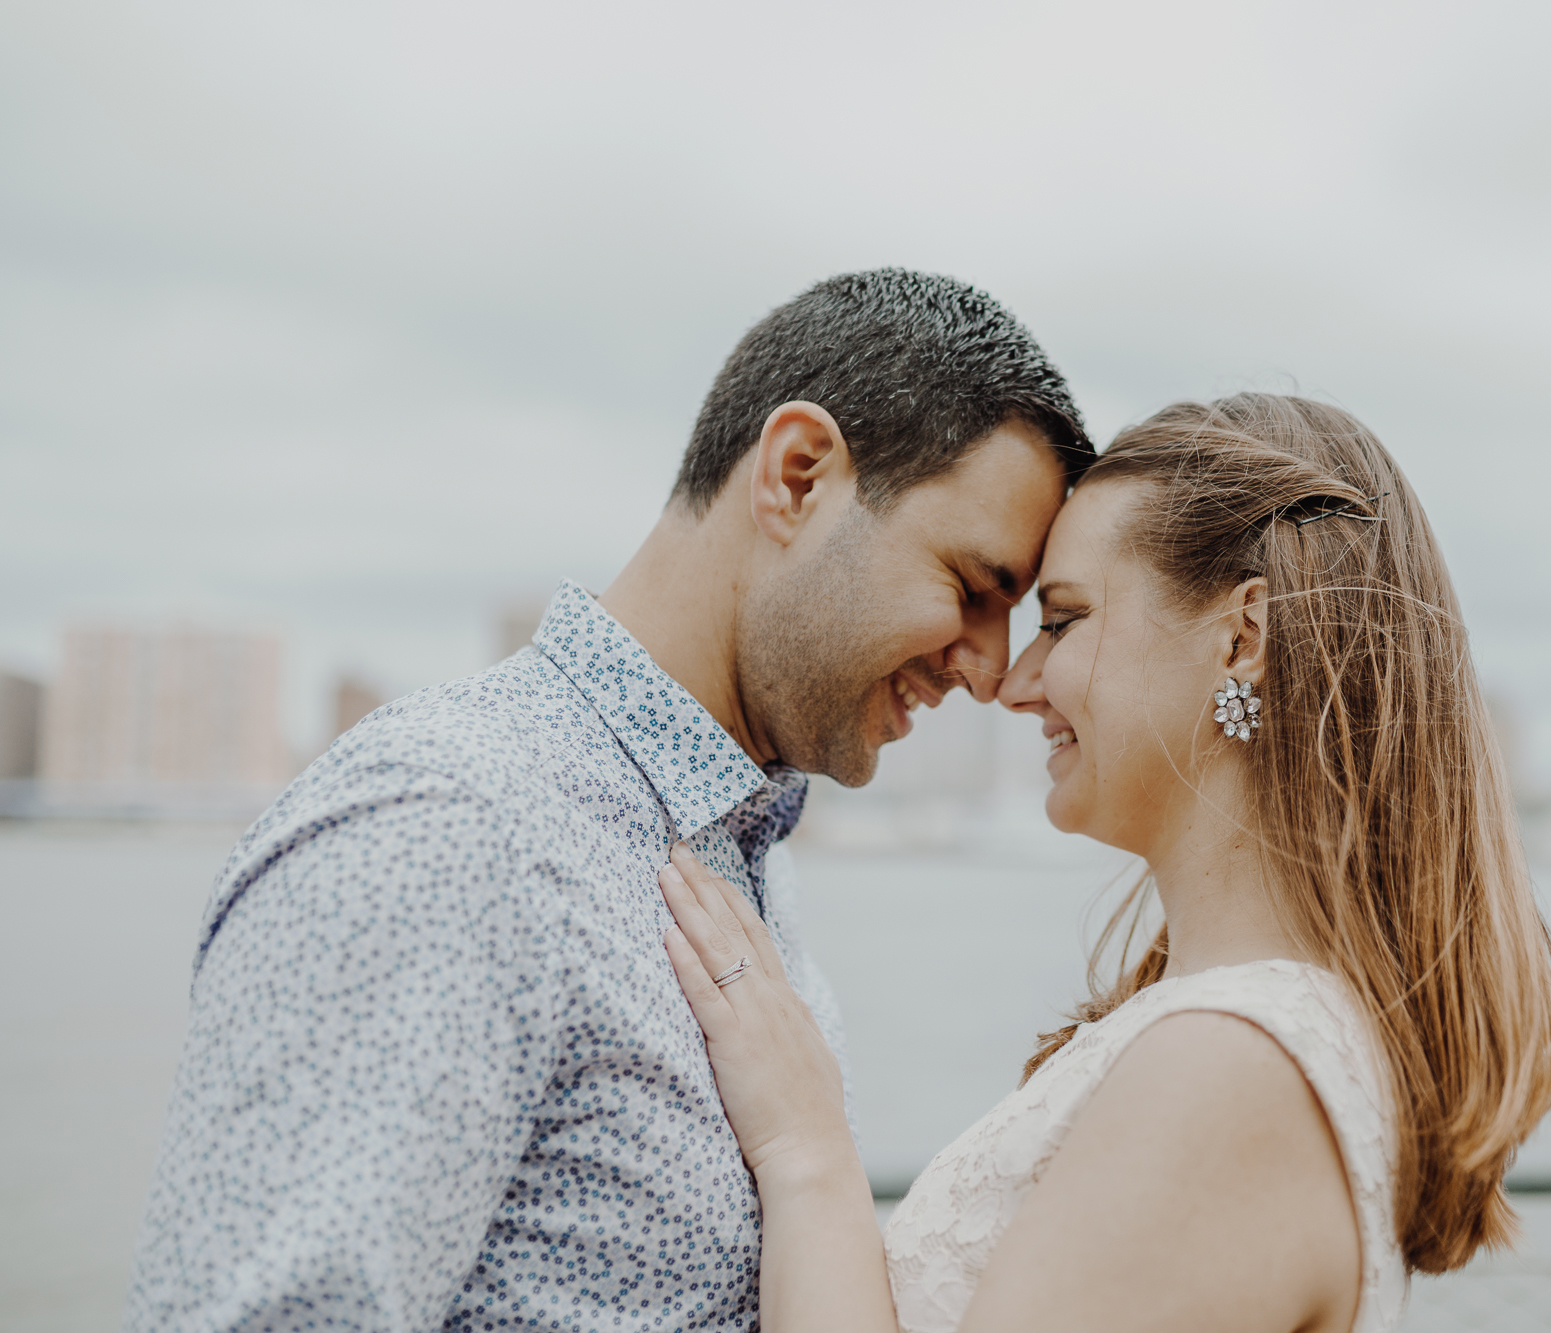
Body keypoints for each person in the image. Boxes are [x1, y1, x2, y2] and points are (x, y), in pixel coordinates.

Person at [124, 269, 1092, 1332]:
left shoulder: (739, 851)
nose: (992, 670)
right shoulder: (443, 833)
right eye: (970, 586)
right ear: (797, 475)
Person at [654, 393, 1551, 1333]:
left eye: (1063, 618)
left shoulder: (1230, 1071)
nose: (1014, 682)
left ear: (1243, 635)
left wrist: (804, 1152)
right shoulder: (1243, 1039)